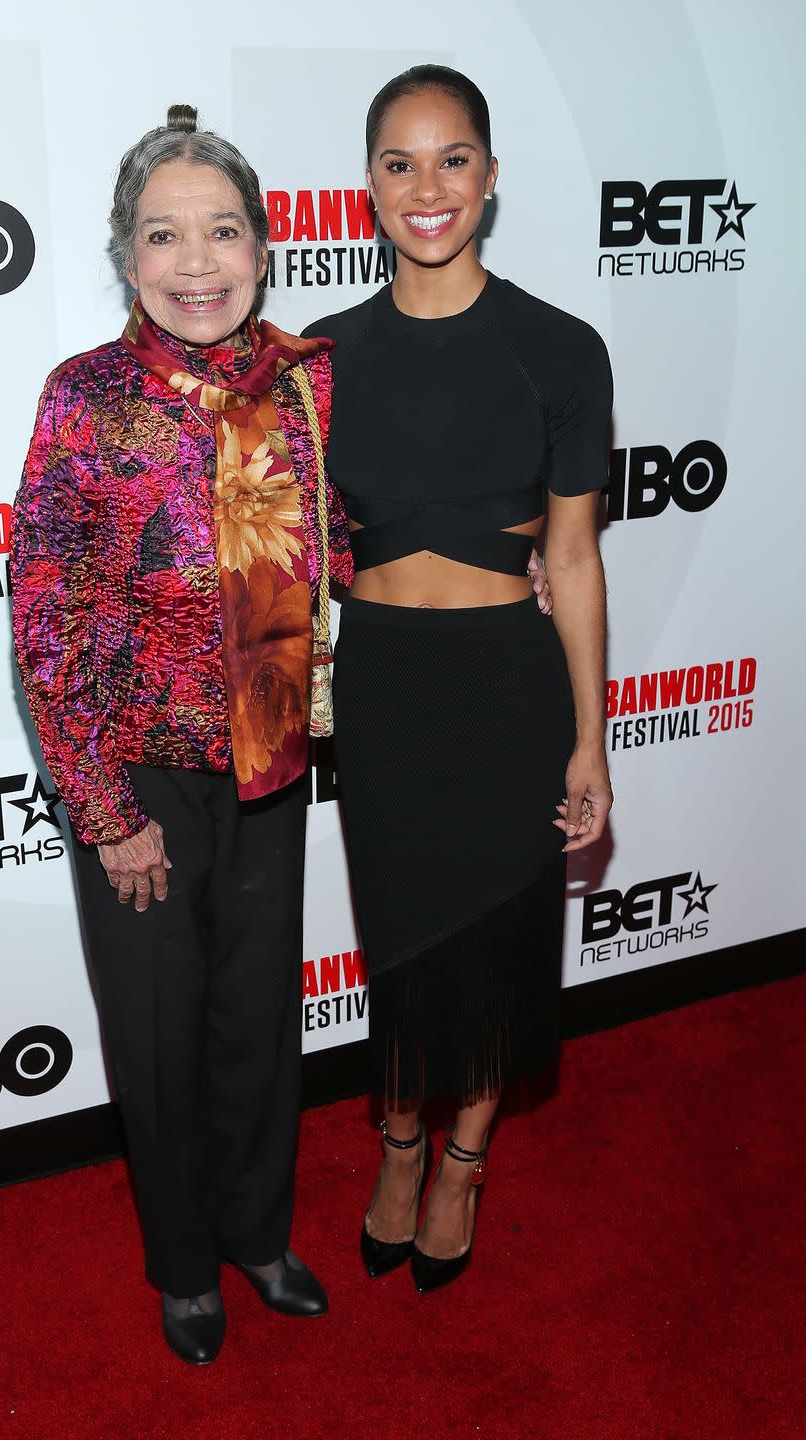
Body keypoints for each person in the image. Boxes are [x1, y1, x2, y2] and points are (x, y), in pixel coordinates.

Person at [10, 105, 353, 1365]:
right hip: (141, 780)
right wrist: (105, 811)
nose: (196, 263)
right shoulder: (86, 399)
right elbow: (45, 611)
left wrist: (498, 574)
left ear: (264, 248)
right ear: (126, 254)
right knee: (155, 1039)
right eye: (164, 235)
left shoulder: (305, 380)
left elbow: (333, 545)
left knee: (259, 1021)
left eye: (222, 232)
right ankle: (181, 1265)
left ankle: (258, 1233)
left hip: (270, 761)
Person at [304, 65, 614, 1293]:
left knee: (496, 942)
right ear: (367, 186)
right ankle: (394, 1139)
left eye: (451, 160)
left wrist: (591, 739)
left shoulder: (560, 349)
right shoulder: (322, 356)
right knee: (400, 942)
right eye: (398, 162)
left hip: (504, 686)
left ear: (489, 177)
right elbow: (289, 544)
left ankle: (463, 1162)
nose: (426, 187)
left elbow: (577, 560)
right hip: (381, 689)